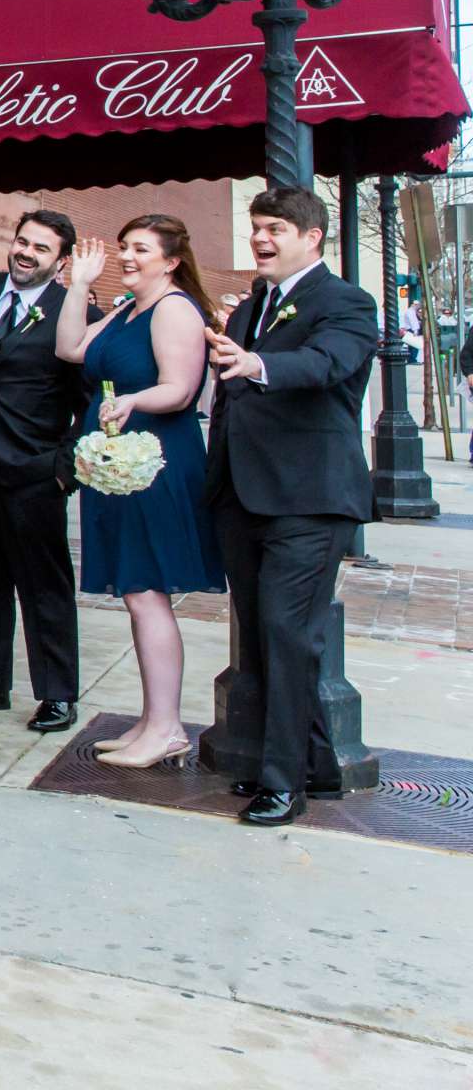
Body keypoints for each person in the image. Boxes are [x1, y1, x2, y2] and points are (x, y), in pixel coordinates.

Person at [204, 186, 378, 827]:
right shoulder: (253, 305)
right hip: (245, 495)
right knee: (266, 636)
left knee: (286, 630)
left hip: (310, 498)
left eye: (274, 228)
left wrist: (255, 364)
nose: (260, 239)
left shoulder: (347, 302)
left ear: (313, 236)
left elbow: (325, 364)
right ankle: (320, 764)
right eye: (256, 228)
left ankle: (283, 784)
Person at [56, 218, 223, 769]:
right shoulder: (128, 309)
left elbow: (179, 390)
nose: (126, 256)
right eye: (124, 247)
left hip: (154, 464)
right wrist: (79, 284)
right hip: (117, 463)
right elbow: (72, 348)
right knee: (136, 591)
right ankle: (151, 720)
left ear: (171, 260)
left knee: (148, 592)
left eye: (139, 249)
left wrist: (131, 402)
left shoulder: (173, 308)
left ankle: (168, 727)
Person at [0, 210, 92, 734]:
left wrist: (64, 466)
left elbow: (90, 401)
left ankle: (57, 694)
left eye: (41, 248)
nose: (26, 253)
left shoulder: (72, 310)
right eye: (22, 241)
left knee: (44, 586)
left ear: (60, 262)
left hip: (34, 468)